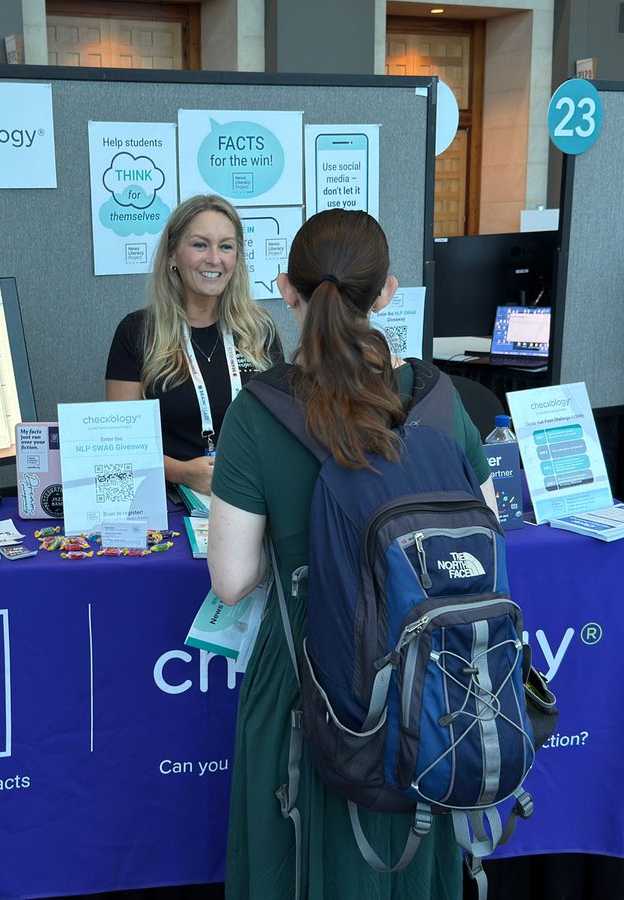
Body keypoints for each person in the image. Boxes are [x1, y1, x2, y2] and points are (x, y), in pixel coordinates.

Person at [207, 208, 494, 900]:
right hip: (428, 683)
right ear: (388, 292)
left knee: (299, 859)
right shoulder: (439, 397)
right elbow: (485, 531)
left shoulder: (258, 412)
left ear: (285, 288)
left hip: (307, 686)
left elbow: (234, 579)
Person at [105, 194, 282, 495]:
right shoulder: (137, 332)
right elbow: (120, 445)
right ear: (173, 255)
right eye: (200, 244)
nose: (214, 259)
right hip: (169, 502)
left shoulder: (259, 330)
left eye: (226, 246)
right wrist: (180, 472)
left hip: (252, 499)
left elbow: (279, 430)